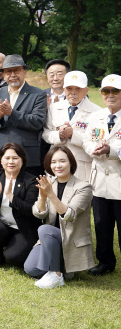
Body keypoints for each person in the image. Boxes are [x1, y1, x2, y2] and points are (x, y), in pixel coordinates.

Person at [25, 145, 94, 288]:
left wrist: (50, 194)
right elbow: (39, 213)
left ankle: (56, 274)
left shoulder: (83, 187)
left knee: (45, 229)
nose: (58, 165)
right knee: (30, 268)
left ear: (71, 163)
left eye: (62, 161)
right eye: (53, 162)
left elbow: (69, 215)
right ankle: (62, 268)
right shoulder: (50, 184)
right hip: (51, 240)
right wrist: (43, 197)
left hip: (70, 240)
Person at [81, 74, 121, 276]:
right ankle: (105, 262)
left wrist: (111, 151)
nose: (110, 95)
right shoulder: (95, 117)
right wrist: (94, 148)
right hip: (100, 182)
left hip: (119, 180)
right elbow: (86, 140)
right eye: (106, 91)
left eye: (115, 91)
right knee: (101, 224)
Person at [0, 143, 42, 269]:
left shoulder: (31, 181)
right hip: (2, 225)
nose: (11, 161)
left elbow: (30, 210)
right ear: (1, 160)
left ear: (22, 161)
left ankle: (14, 248)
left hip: (23, 228)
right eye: (7, 158)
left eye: (15, 158)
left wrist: (11, 196)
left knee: (14, 258)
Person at [0, 54, 47, 174]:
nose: (12, 75)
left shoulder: (38, 94)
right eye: (8, 72)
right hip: (1, 154)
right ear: (3, 74)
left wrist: (12, 113)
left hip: (27, 154)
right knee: (1, 190)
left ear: (25, 72)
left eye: (16, 70)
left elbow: (37, 122)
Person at [42, 71, 101, 181]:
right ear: (64, 89)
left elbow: (96, 142)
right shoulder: (54, 108)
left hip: (82, 167)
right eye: (69, 88)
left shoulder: (98, 112)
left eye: (78, 88)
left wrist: (73, 134)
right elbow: (46, 133)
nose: (73, 92)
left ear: (86, 90)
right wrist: (59, 135)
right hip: (56, 165)